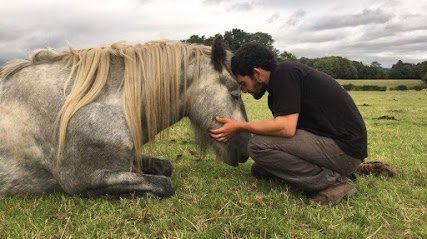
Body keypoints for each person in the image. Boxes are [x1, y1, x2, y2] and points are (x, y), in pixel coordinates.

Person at [209, 42, 367, 205]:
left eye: (243, 83)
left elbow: (286, 128)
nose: (244, 91)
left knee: (257, 146)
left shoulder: (286, 73)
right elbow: (285, 133)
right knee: (261, 169)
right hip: (339, 149)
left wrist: (239, 126)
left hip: (345, 151)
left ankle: (336, 182)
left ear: (257, 74)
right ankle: (336, 172)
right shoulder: (279, 85)